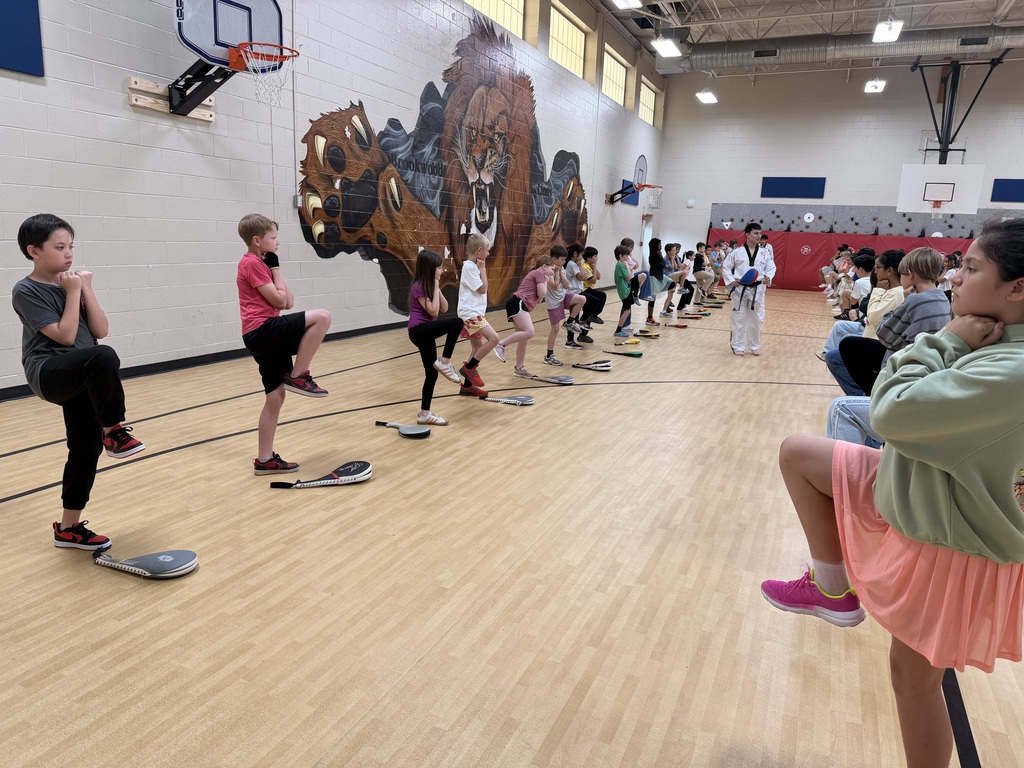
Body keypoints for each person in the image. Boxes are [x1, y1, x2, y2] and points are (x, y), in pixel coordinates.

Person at [761, 218, 1024, 768]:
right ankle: (832, 588)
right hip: (925, 483)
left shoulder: (1010, 369)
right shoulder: (998, 339)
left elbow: (892, 409)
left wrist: (946, 339)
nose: (956, 279)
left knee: (913, 682)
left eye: (972, 268)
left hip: (955, 539)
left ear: (1017, 288)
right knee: (801, 454)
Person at [12, 214, 146, 551]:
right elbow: (66, 336)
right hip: (49, 371)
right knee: (104, 356)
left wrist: (86, 288)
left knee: (85, 447)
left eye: (71, 246)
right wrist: (73, 292)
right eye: (59, 247)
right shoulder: (26, 290)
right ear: (34, 251)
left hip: (84, 374)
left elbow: (99, 331)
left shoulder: (73, 284)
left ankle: (68, 528)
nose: (69, 254)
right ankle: (114, 429)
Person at [237, 214, 332, 474]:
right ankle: (299, 375)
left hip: (264, 336)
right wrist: (275, 270)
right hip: (263, 331)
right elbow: (280, 302)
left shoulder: (262, 264)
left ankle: (264, 460)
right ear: (257, 241)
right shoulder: (252, 264)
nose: (277, 243)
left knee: (275, 397)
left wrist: (275, 268)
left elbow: (288, 301)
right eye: (273, 238)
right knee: (322, 317)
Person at [837, 247, 950, 395]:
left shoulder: (915, 300)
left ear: (910, 274)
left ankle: (876, 395)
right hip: (923, 363)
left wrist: (904, 301)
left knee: (848, 345)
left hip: (902, 366)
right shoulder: (943, 298)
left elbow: (884, 334)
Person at [408, 249, 464, 425]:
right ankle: (445, 361)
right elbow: (432, 310)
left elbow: (445, 308)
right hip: (418, 329)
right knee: (457, 322)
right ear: (430, 269)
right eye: (439, 268)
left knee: (431, 374)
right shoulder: (418, 286)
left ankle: (424, 414)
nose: (441, 271)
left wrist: (436, 286)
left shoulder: (430, 285)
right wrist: (434, 285)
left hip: (425, 331)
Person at [495, 254, 554, 379]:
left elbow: (538, 299)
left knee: (523, 340)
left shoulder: (539, 276)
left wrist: (544, 284)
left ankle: (519, 368)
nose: (552, 272)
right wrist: (545, 282)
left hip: (519, 304)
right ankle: (500, 345)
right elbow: (543, 293)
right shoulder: (539, 273)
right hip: (518, 303)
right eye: (552, 269)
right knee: (530, 332)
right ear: (544, 266)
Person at [722, 222, 777, 355]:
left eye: (760, 233)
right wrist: (731, 281)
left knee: (757, 319)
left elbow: (771, 268)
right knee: (738, 318)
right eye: (756, 233)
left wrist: (768, 277)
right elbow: (726, 267)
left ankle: (754, 345)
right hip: (740, 288)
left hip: (758, 290)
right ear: (747, 235)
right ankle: (737, 346)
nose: (759, 236)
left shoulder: (764, 253)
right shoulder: (737, 252)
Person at [456, 233, 499, 397]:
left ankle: (466, 386)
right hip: (471, 314)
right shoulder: (469, 267)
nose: (488, 254)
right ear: (479, 250)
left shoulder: (472, 267)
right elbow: (483, 289)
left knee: (477, 347)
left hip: (474, 312)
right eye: (487, 250)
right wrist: (483, 269)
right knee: (494, 339)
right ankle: (469, 368)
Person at [543, 245, 586, 365]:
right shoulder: (548, 271)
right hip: (554, 303)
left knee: (581, 299)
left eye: (564, 259)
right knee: (555, 330)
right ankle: (549, 355)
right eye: (562, 259)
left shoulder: (561, 269)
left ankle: (570, 321)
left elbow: (566, 285)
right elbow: (555, 286)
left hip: (563, 297)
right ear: (553, 259)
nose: (564, 262)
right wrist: (557, 272)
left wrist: (560, 273)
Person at [643, 238, 685, 324]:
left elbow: (662, 264)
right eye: (659, 244)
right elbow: (662, 265)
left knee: (672, 284)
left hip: (660, 276)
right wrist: (661, 257)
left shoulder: (658, 254)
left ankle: (663, 298)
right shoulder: (653, 256)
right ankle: (649, 318)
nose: (661, 246)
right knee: (653, 299)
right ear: (655, 246)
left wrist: (661, 256)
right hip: (654, 277)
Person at [613, 244, 640, 337]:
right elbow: (628, 277)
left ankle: (635, 294)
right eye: (626, 256)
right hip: (624, 292)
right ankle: (618, 330)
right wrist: (628, 266)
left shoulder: (620, 264)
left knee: (641, 277)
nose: (627, 258)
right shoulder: (620, 265)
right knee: (627, 311)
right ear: (620, 256)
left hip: (627, 290)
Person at [579, 246, 606, 330]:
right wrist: (594, 268)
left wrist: (594, 267)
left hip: (589, 289)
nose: (597, 258)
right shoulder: (585, 267)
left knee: (590, 310)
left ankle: (593, 316)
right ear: (589, 258)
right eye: (595, 256)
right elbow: (593, 281)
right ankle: (593, 316)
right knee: (600, 297)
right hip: (585, 290)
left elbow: (598, 277)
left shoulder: (590, 265)